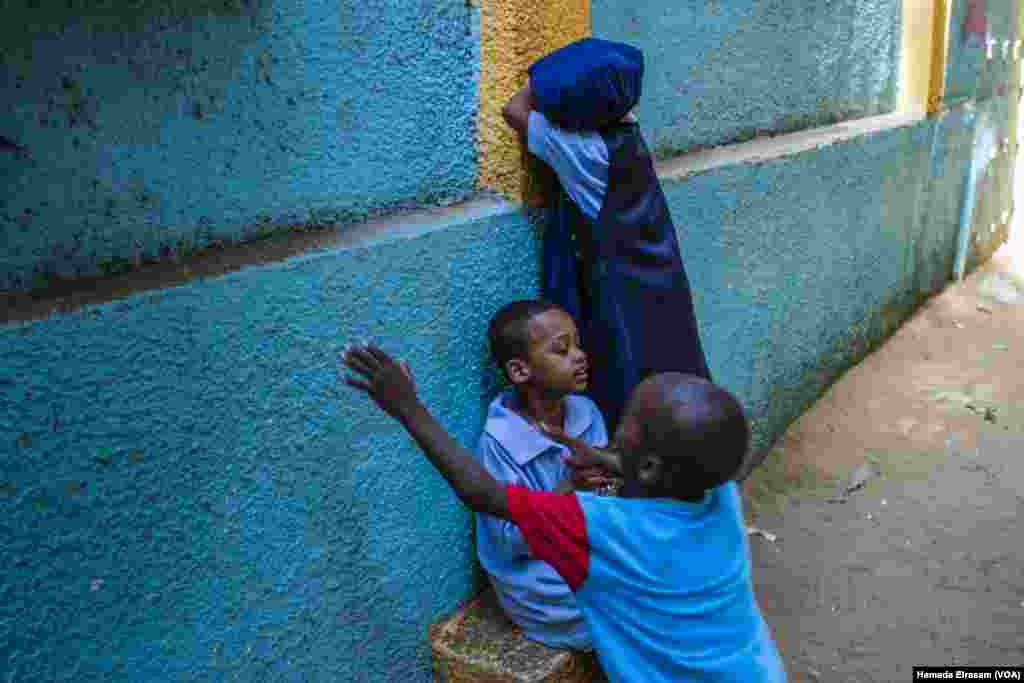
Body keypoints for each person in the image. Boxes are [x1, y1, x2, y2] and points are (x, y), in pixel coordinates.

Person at [341, 341, 787, 683]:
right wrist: (616, 460)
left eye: (629, 423)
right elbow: (665, 474)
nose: (617, 427)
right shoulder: (720, 494)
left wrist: (405, 406)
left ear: (649, 467)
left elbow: (482, 494)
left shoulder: (597, 526)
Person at [502, 38, 712, 432]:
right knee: (670, 365)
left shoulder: (583, 152)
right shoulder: (627, 126)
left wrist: (543, 80)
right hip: (659, 272)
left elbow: (513, 107)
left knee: (624, 374)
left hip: (615, 284)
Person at [474, 299, 615, 650]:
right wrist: (569, 490)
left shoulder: (585, 411)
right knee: (633, 602)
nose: (579, 356)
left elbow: (607, 492)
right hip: (537, 576)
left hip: (585, 540)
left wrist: (608, 484)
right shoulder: (500, 443)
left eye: (578, 344)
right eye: (562, 350)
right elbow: (508, 543)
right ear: (521, 371)